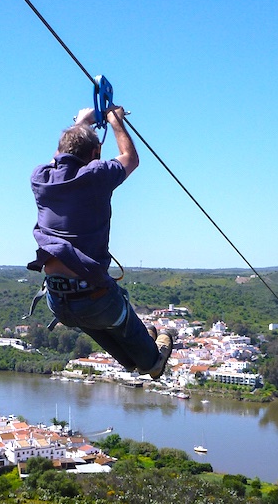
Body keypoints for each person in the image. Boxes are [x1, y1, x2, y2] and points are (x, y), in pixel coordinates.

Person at [27, 105, 173, 379]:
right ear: (95, 155)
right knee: (120, 318)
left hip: (58, 301)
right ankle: (151, 360)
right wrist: (116, 122)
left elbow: (61, 157)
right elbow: (130, 158)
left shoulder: (41, 178)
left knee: (96, 321)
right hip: (94, 298)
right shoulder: (96, 175)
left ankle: (131, 359)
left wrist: (81, 123)